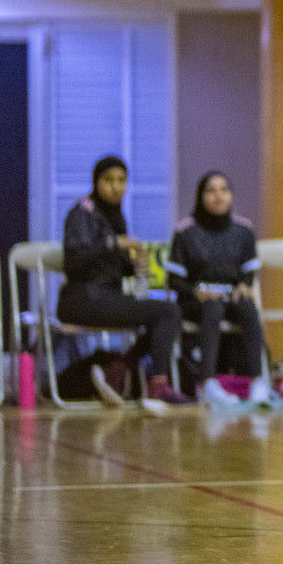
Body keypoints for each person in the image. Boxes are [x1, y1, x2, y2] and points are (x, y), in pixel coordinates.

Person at [58, 156, 191, 408]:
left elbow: (111, 268)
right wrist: (114, 243)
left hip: (107, 296)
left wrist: (136, 269)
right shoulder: (81, 213)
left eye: (121, 180)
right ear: (96, 182)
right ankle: (156, 384)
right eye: (108, 180)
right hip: (81, 299)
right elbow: (74, 260)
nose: (116, 187)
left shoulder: (114, 217)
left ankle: (123, 365)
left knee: (168, 313)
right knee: (168, 312)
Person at [166, 171, 269, 407]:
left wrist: (245, 286)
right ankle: (207, 383)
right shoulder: (185, 231)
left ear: (231, 196)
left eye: (223, 190)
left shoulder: (244, 230)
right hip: (197, 300)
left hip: (230, 297)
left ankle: (258, 381)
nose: (218, 196)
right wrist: (196, 291)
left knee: (248, 306)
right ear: (201, 196)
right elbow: (173, 280)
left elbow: (248, 273)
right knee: (213, 307)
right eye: (211, 191)